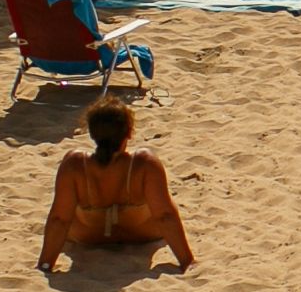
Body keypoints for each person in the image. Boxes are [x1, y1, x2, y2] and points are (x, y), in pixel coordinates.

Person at [38, 98, 195, 274]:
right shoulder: (144, 164)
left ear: (92, 134)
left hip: (88, 237)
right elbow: (165, 216)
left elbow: (59, 219)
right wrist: (187, 261)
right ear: (129, 133)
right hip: (142, 235)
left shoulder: (75, 165)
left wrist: (45, 264)